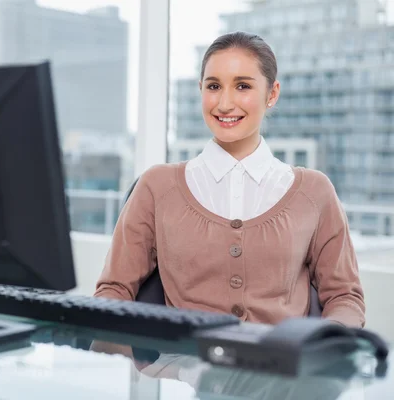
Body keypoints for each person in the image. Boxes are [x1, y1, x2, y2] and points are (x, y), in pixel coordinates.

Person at [93, 31, 365, 328]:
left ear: (272, 94)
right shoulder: (157, 186)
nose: (224, 103)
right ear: (201, 90)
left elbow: (344, 297)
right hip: (180, 369)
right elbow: (114, 290)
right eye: (213, 86)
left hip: (282, 369)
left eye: (243, 86)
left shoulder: (314, 191)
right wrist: (122, 368)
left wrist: (327, 356)